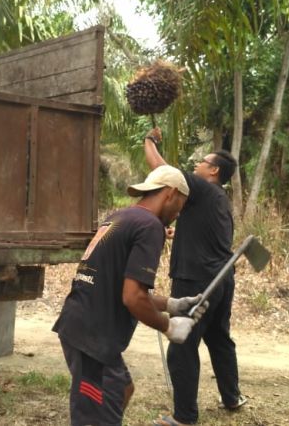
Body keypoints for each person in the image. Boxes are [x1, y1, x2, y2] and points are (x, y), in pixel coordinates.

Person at [53, 165, 209, 426]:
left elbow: (122, 286)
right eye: (181, 205)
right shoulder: (150, 226)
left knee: (122, 389)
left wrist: (172, 304)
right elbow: (132, 298)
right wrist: (168, 325)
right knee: (101, 407)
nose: (179, 213)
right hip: (93, 334)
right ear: (170, 194)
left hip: (80, 325)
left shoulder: (121, 217)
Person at [143, 128, 245, 426]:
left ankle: (184, 418)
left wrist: (149, 141)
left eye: (202, 161)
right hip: (222, 280)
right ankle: (232, 397)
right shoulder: (218, 200)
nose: (197, 164)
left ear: (213, 171)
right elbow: (209, 236)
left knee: (182, 346)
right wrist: (179, 233)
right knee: (219, 338)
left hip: (197, 281)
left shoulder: (200, 188)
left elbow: (163, 173)